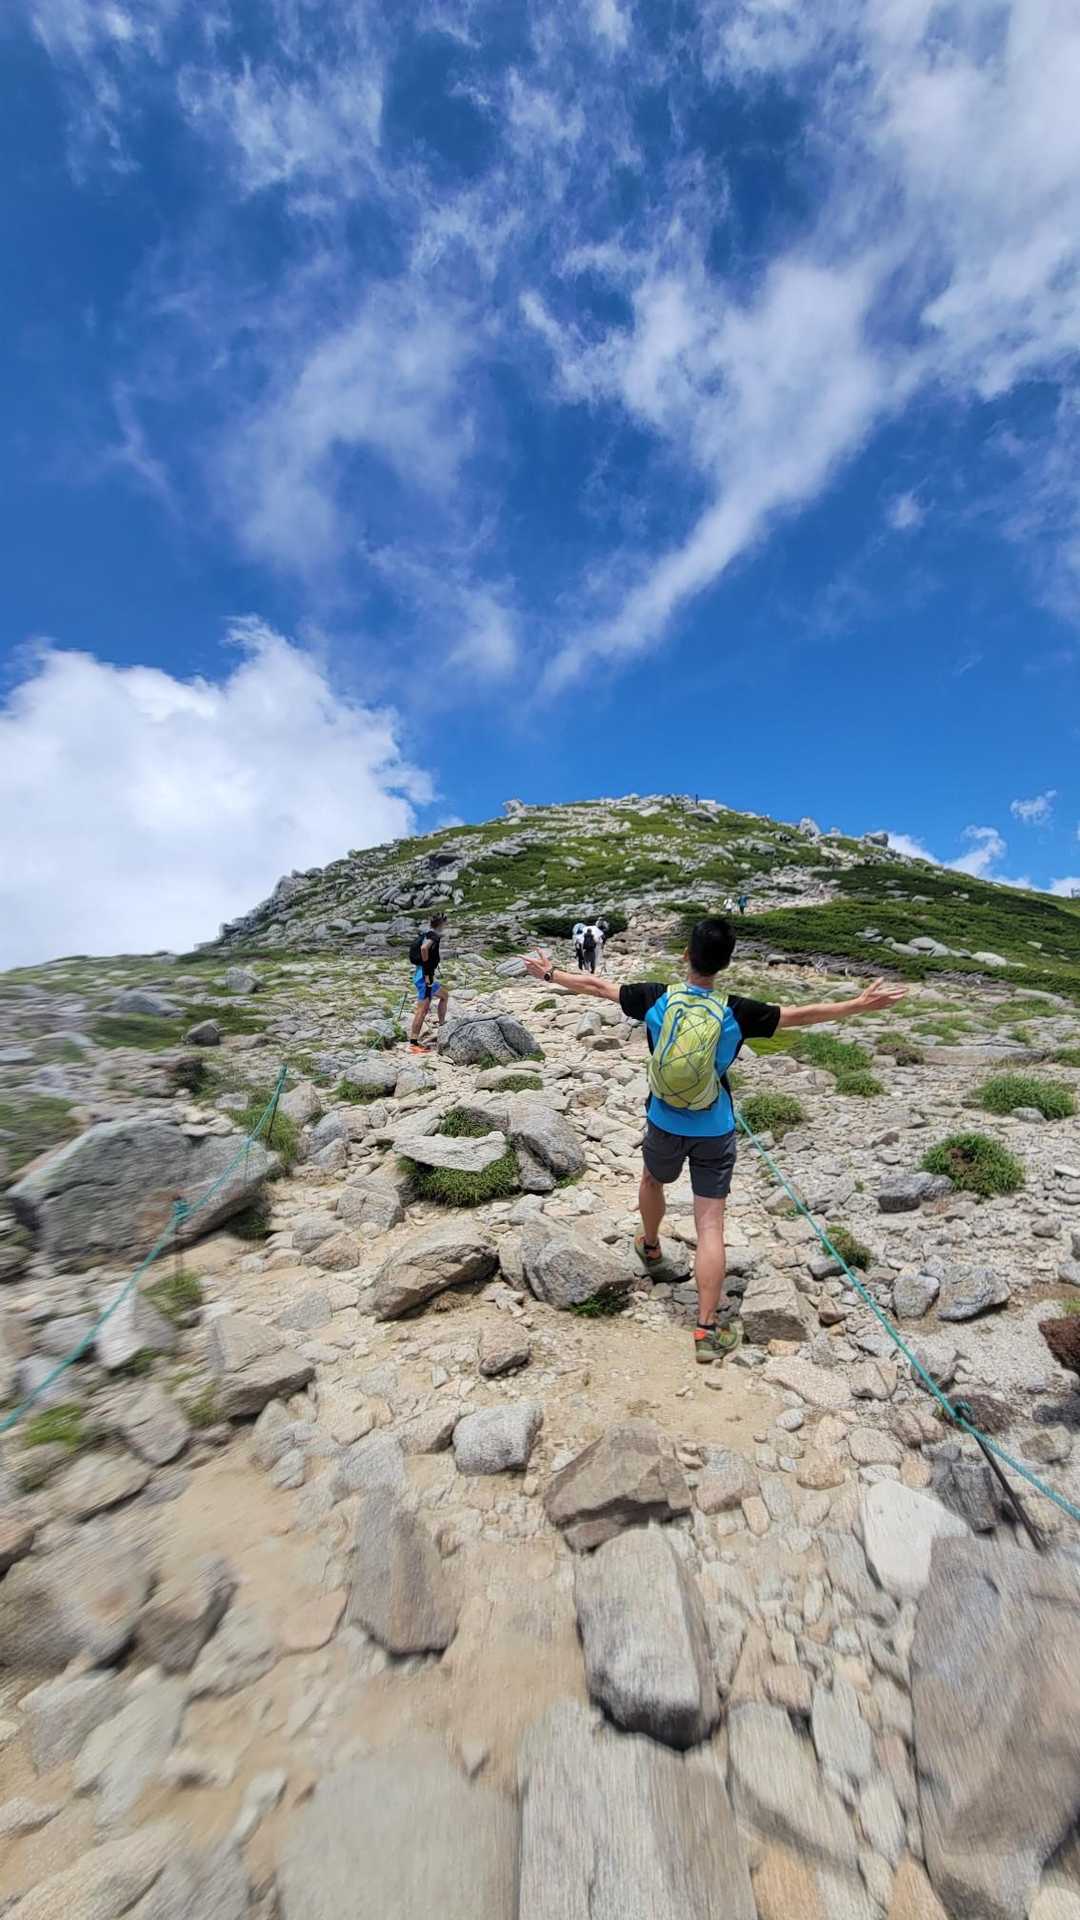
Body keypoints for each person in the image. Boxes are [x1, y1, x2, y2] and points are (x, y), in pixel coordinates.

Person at [523, 917, 906, 1368]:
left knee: (652, 1180)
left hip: (663, 1119)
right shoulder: (736, 1011)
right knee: (709, 1226)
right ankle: (706, 1329)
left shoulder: (657, 996)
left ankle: (650, 1245)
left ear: (687, 955)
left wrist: (550, 974)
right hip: (715, 1127)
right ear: (726, 963)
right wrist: (857, 1004)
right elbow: (800, 1015)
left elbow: (597, 986)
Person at [408, 911, 450, 1048]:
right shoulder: (433, 936)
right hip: (425, 977)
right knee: (422, 1010)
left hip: (423, 974)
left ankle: (442, 1025)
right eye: (445, 923)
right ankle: (413, 1043)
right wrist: (427, 972)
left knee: (444, 995)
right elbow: (424, 948)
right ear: (441, 924)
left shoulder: (426, 933)